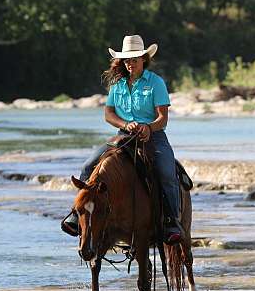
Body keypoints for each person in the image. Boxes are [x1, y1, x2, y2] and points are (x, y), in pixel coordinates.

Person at [63, 34, 182, 245]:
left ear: (144, 59)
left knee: (166, 171)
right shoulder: (117, 86)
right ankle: (75, 213)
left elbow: (162, 118)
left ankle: (172, 221)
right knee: (88, 166)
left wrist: (148, 127)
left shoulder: (156, 83)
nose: (130, 63)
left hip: (153, 136)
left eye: (134, 59)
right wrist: (125, 125)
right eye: (127, 59)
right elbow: (108, 114)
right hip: (123, 136)